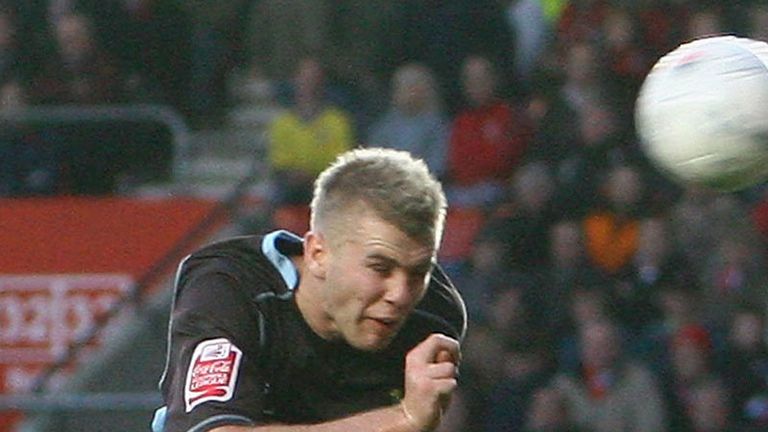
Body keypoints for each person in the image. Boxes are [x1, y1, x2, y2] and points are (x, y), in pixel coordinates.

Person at [152, 147, 467, 432]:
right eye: (380, 268)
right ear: (318, 254)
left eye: (418, 272)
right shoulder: (230, 287)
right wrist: (403, 419)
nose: (400, 294)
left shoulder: (433, 315)